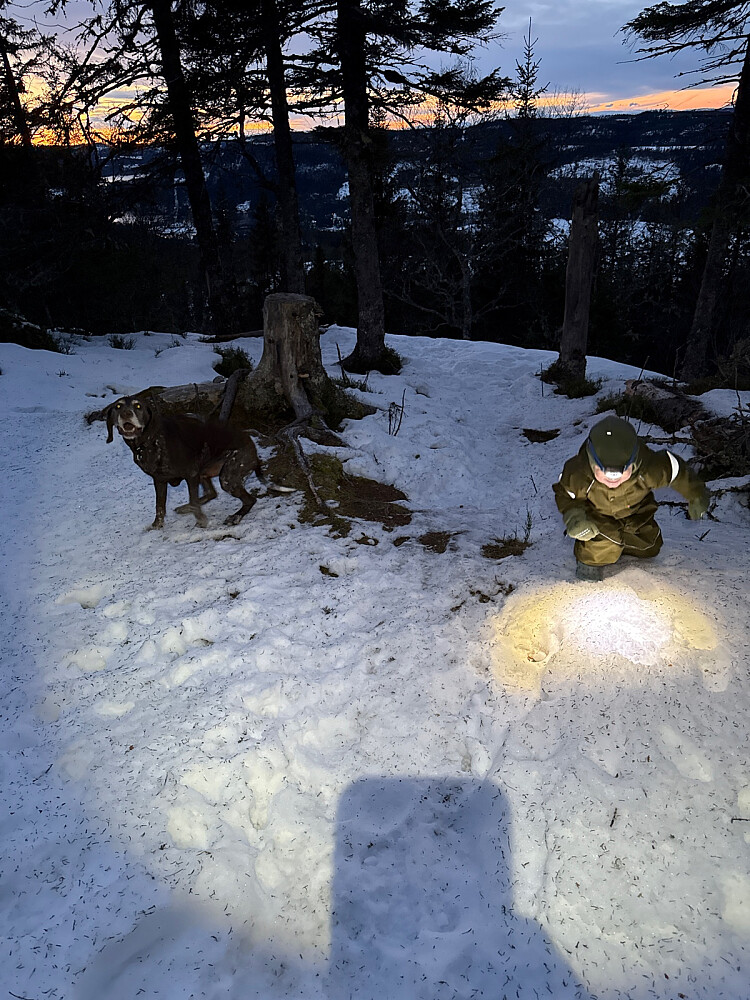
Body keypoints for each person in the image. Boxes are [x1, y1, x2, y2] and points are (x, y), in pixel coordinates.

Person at [553, 415, 710, 582]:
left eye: (621, 472)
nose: (613, 479)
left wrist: (696, 494)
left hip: (636, 514)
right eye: (604, 472)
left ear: (634, 463)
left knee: (650, 547)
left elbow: (677, 472)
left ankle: (621, 543)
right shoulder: (578, 473)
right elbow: (565, 495)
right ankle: (590, 560)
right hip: (598, 517)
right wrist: (575, 518)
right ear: (592, 463)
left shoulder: (649, 469)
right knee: (602, 543)